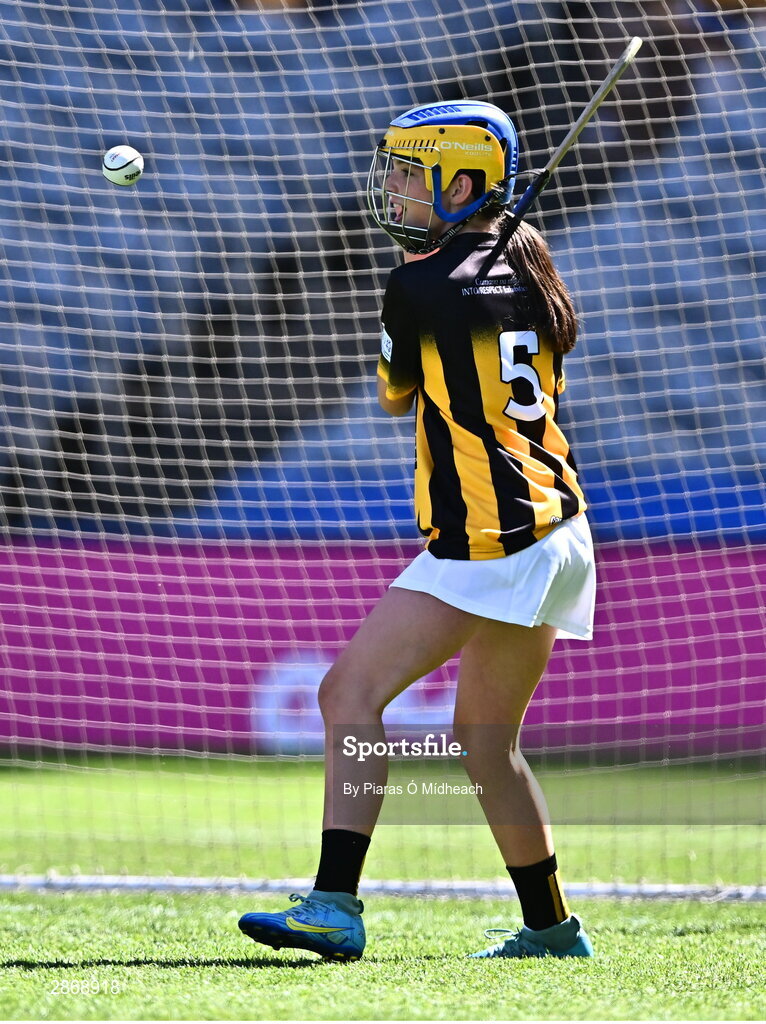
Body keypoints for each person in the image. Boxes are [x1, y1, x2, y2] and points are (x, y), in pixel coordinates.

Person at [238, 100, 596, 962]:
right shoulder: (532, 259)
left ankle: (334, 904)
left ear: (461, 186)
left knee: (347, 696)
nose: (394, 189)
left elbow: (396, 394)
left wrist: (422, 281)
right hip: (560, 529)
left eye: (409, 174)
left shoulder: (420, 283)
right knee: (486, 743)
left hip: (490, 535)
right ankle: (552, 929)